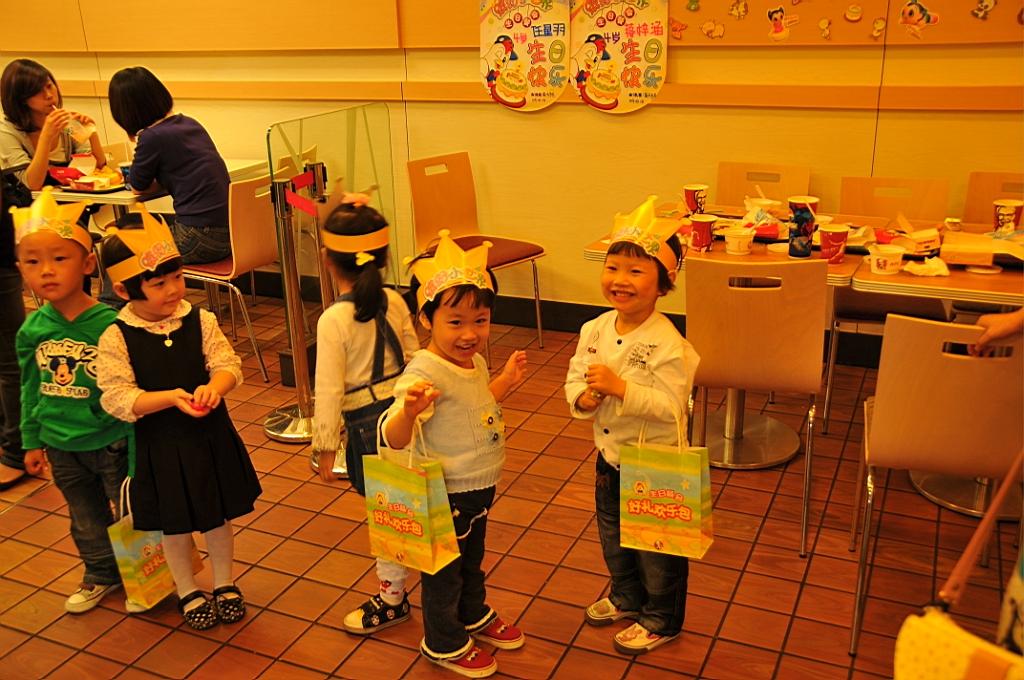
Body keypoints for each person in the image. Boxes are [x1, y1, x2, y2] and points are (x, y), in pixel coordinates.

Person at [95, 209, 261, 630]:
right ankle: (187, 589)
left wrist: (215, 388)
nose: (173, 289)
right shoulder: (116, 337)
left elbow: (227, 364)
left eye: (177, 277)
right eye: (158, 284)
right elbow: (117, 397)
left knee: (217, 516)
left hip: (209, 437)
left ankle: (224, 583)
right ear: (124, 289)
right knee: (173, 524)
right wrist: (169, 398)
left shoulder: (200, 320)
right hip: (160, 447)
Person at [379, 230, 528, 678]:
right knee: (444, 571)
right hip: (445, 493)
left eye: (480, 320)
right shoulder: (423, 373)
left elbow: (478, 402)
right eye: (456, 322)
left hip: (478, 487)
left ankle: (472, 611)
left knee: (471, 560)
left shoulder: (474, 362)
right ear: (426, 319)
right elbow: (393, 437)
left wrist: (504, 382)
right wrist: (409, 411)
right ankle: (443, 641)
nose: (470, 334)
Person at [564, 197, 700, 655]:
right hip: (609, 460)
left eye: (636, 271)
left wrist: (621, 388)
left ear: (663, 284)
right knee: (614, 538)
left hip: (656, 465)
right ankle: (626, 595)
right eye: (613, 267)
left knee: (658, 551)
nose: (620, 279)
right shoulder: (595, 329)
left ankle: (662, 618)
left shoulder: (669, 344)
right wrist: (582, 398)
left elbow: (672, 408)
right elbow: (575, 376)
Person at [11, 188, 133, 612]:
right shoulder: (31, 331)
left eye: (59, 258)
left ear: (86, 264)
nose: (46, 271)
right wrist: (31, 440)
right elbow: (29, 388)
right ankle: (101, 573)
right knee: (84, 518)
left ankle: (147, 576)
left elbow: (129, 388)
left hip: (112, 440)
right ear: (20, 270)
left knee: (131, 512)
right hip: (60, 444)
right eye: (32, 262)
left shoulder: (111, 325)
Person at [311, 193, 421, 634]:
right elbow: (415, 358)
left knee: (386, 514)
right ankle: (440, 581)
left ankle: (392, 599)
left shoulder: (333, 320)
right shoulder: (396, 301)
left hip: (366, 428)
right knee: (417, 500)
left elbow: (328, 390)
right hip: (409, 414)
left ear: (327, 259)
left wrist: (324, 447)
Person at [107, 67, 231, 264]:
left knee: (121, 237)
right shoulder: (189, 123)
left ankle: (115, 288)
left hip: (197, 238)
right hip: (231, 234)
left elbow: (137, 186)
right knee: (132, 223)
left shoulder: (152, 137)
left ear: (125, 112)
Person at [0, 59, 110, 192]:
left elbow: (97, 168)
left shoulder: (65, 122)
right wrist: (46, 138)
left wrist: (91, 133)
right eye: (37, 91)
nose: (48, 95)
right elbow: (32, 184)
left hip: (72, 200)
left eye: (49, 86)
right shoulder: (6, 131)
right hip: (32, 204)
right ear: (21, 99)